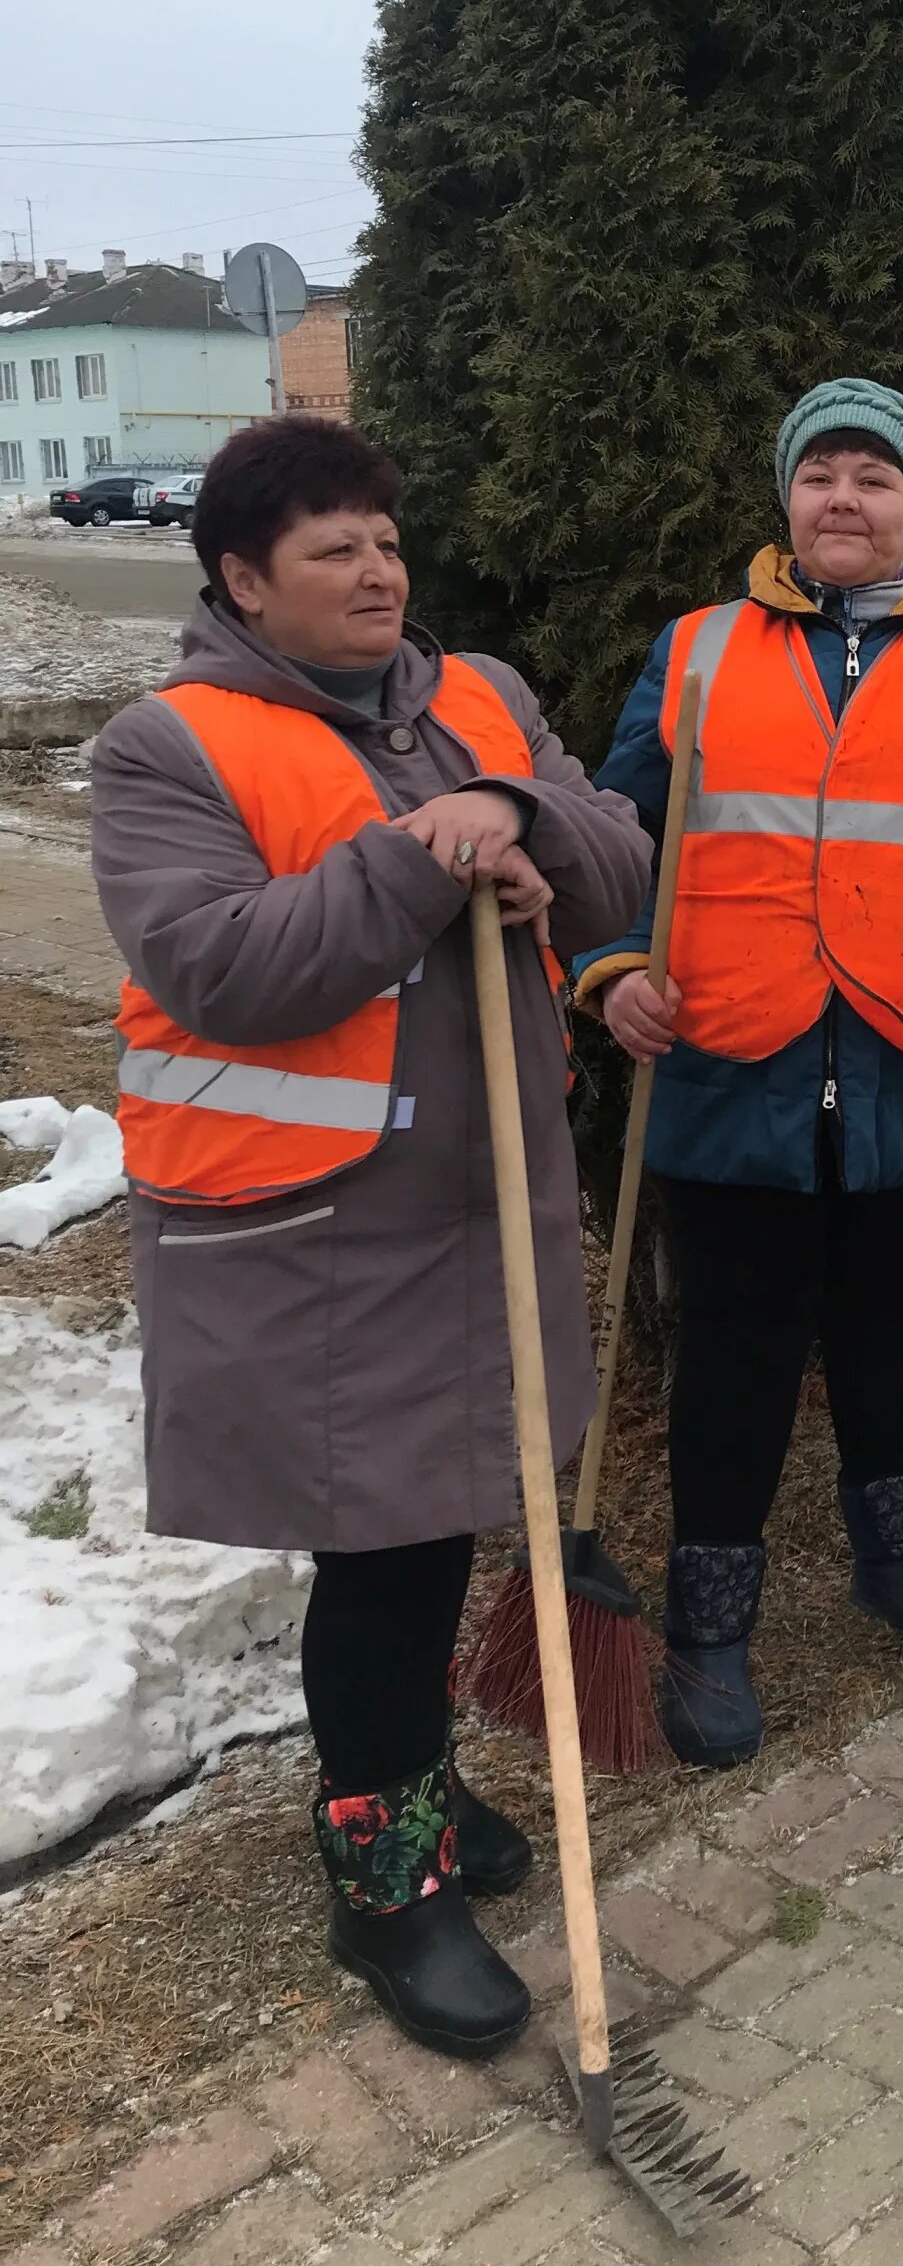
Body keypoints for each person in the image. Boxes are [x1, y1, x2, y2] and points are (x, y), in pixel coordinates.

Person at [89, 418, 652, 2058]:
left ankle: (404, 1778)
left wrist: (516, 819)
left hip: (485, 1204)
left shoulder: (476, 696)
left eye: (387, 539)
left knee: (446, 1515)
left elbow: (616, 854)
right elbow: (225, 967)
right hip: (315, 1232)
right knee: (383, 1549)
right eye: (332, 548)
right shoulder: (166, 746)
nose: (377, 571)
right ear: (243, 582)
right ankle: (384, 1881)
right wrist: (430, 852)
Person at [577, 378, 903, 1770]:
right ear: (787, 501)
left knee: (889, 1322)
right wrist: (617, 966)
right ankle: (710, 1617)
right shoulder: (694, 652)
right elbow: (613, 839)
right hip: (729, 1054)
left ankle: (894, 1552)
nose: (843, 499)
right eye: (821, 475)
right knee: (734, 1348)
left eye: (873, 476)